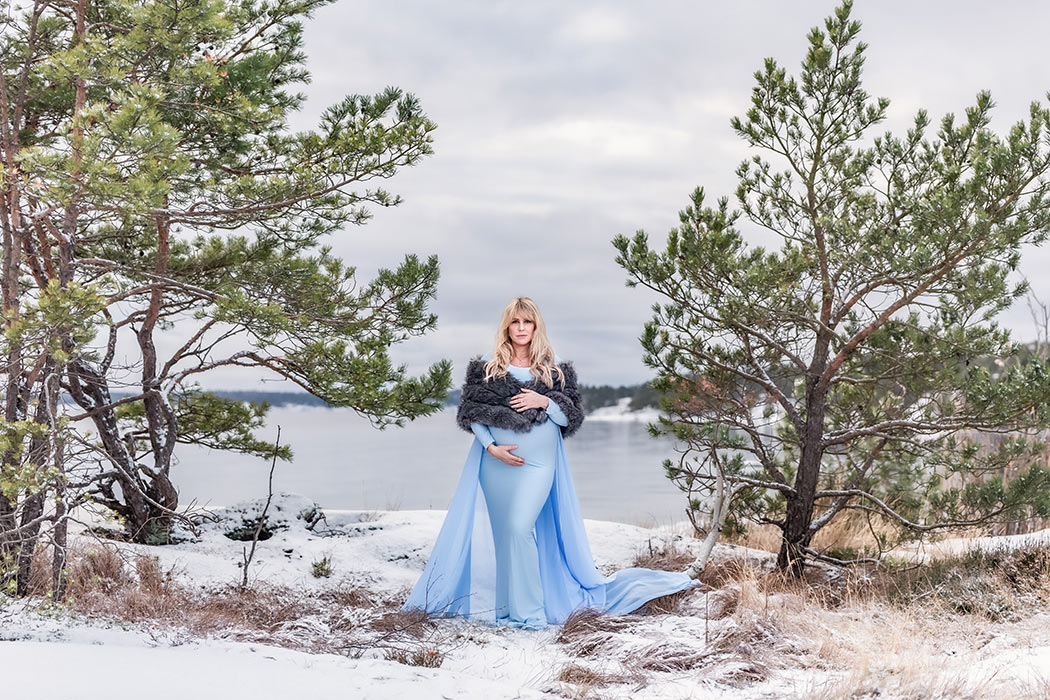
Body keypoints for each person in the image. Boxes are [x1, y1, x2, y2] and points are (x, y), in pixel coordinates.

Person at [400, 297, 700, 629]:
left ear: (536, 326)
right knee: (506, 537)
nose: (521, 328)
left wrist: (544, 399)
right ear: (507, 327)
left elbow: (569, 418)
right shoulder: (488, 368)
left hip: (539, 465)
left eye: (527, 322)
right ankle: (505, 610)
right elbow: (471, 414)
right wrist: (491, 448)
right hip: (496, 466)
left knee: (519, 527)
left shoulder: (554, 370)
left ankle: (530, 615)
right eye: (515, 322)